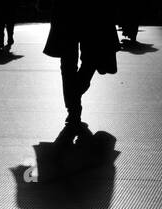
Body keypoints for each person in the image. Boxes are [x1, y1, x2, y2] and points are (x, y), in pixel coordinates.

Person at [41, 0, 120, 129]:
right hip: (93, 10)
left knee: (68, 63)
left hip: (66, 10)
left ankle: (73, 108)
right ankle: (76, 94)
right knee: (90, 58)